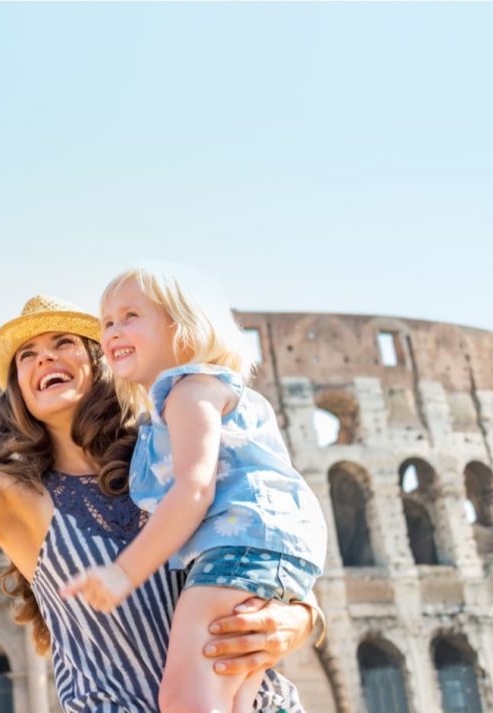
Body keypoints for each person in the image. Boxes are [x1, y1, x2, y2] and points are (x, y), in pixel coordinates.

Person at [0, 226, 323, 712]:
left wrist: (300, 621)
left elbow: (264, 545)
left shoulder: (166, 459)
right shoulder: (12, 497)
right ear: (19, 391)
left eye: (64, 343)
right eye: (27, 356)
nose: (44, 358)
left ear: (102, 362)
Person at [61, 267, 328, 713]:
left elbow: (195, 488)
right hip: (258, 552)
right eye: (107, 322)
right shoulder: (183, 401)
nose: (113, 331)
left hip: (237, 550)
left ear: (183, 329)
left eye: (130, 316)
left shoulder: (188, 392)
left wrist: (123, 573)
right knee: (234, 695)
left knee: (186, 699)